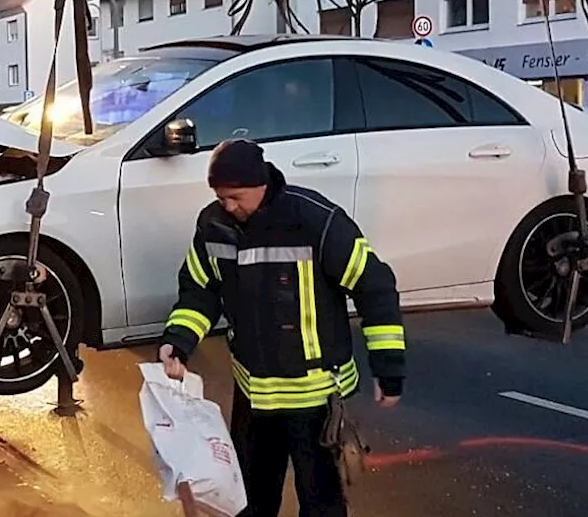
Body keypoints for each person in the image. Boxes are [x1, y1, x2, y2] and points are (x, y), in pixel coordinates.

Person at [159, 139, 406, 517]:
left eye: (235, 197)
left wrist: (389, 370)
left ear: (261, 185)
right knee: (248, 503)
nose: (228, 206)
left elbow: (375, 287)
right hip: (254, 401)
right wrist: (178, 342)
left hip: (314, 402)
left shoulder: (316, 222)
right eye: (220, 197)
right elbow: (199, 291)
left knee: (321, 505)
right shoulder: (213, 226)